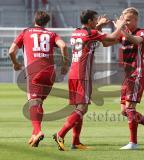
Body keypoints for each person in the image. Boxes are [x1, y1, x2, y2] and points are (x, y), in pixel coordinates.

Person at [52, 9, 126, 151]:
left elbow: (91, 36)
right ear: (90, 21)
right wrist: (120, 26)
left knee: (78, 107)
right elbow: (111, 38)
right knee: (83, 108)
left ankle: (76, 142)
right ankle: (60, 134)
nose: (98, 20)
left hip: (73, 73)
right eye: (96, 19)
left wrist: (98, 26)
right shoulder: (91, 33)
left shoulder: (76, 32)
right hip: (82, 74)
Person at [103, 7, 144, 150]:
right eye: (124, 19)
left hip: (137, 73)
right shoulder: (123, 33)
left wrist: (121, 28)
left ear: (136, 20)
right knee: (124, 110)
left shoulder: (141, 32)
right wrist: (99, 28)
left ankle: (133, 143)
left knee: (130, 108)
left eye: (128, 20)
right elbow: (105, 43)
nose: (125, 22)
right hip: (126, 76)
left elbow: (136, 41)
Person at [8, 11, 68, 147]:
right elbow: (64, 46)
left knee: (33, 103)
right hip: (50, 73)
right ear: (47, 22)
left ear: (34, 19)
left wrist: (16, 64)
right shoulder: (52, 34)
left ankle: (38, 131)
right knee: (38, 102)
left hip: (34, 72)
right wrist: (65, 65)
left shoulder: (25, 32)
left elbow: (11, 51)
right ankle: (34, 134)